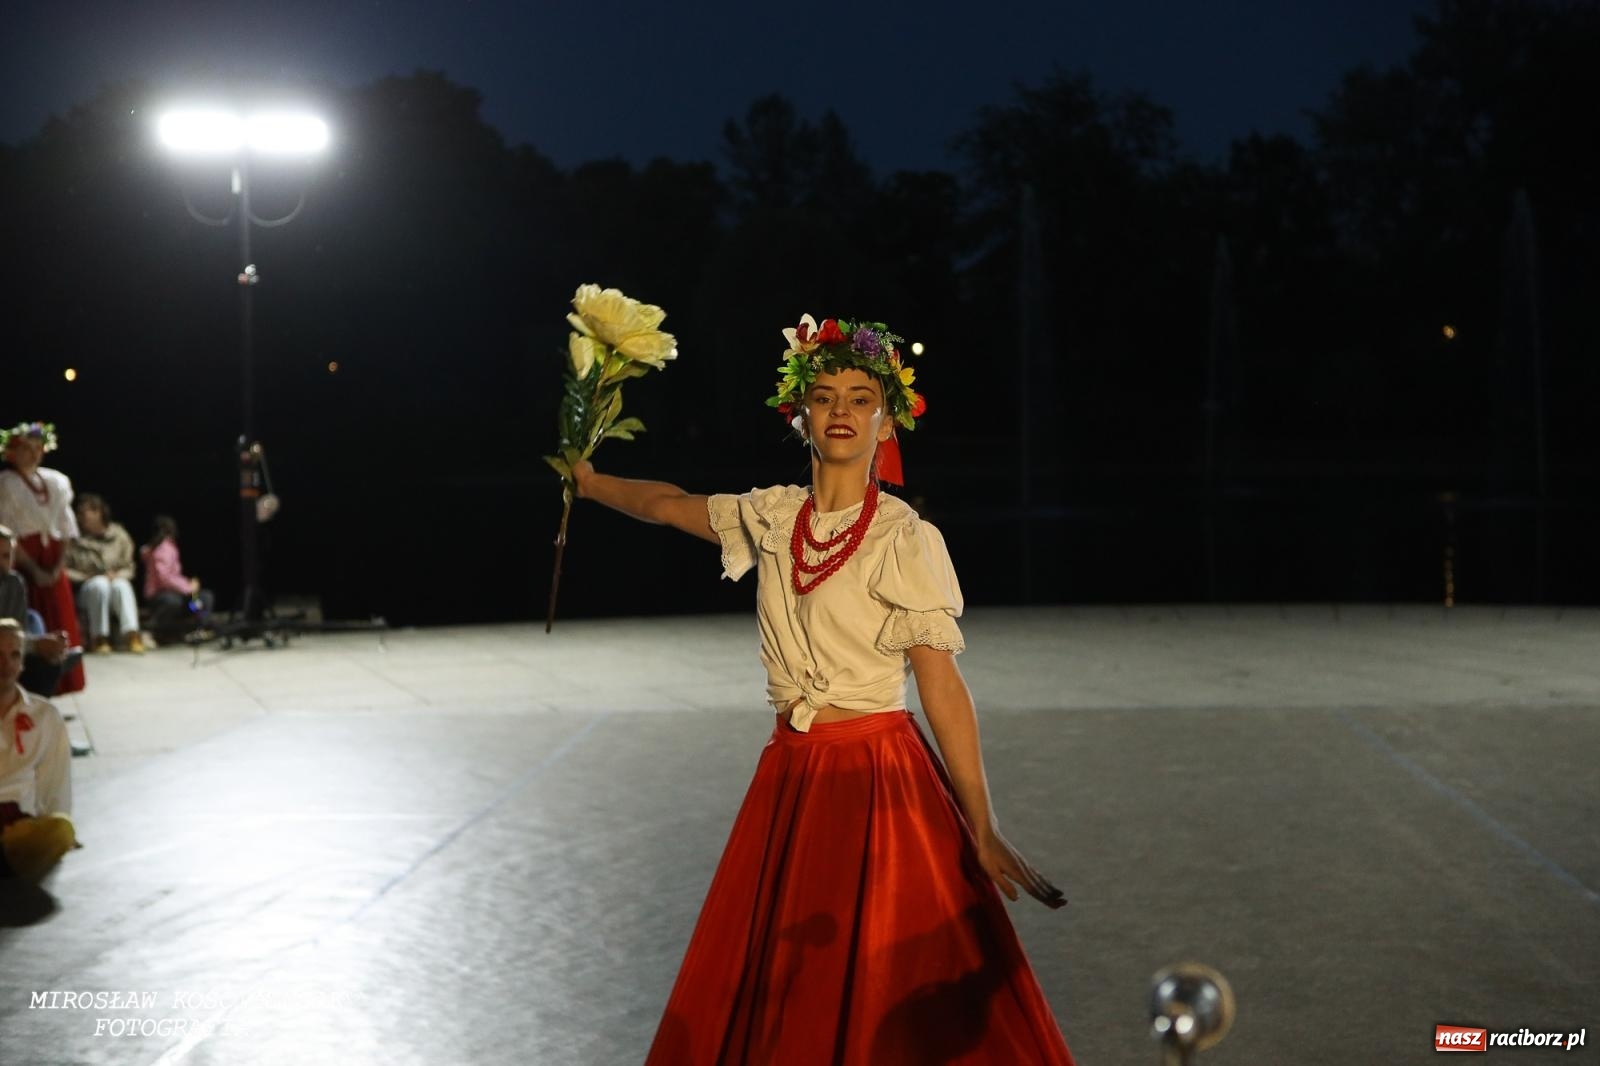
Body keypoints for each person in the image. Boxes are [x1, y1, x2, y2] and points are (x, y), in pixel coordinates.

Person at [575, 315, 1075, 1064]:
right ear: (799, 414)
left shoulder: (904, 537)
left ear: (886, 419)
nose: (842, 410)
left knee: (878, 981)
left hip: (878, 780)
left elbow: (941, 686)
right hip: (790, 774)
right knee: (785, 987)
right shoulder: (774, 518)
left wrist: (982, 821)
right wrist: (588, 482)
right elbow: (665, 503)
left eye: (862, 397)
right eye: (826, 395)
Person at [0, 423, 85, 693]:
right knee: (30, 614)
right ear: (12, 452)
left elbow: (65, 528)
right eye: (26, 448)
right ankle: (35, 682)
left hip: (52, 559)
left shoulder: (55, 481)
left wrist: (57, 565)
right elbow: (8, 533)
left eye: (37, 448)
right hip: (26, 558)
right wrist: (33, 568)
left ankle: (61, 677)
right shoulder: (7, 484)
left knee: (59, 615)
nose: (33, 454)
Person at [0, 618, 77, 881]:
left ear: (22, 663)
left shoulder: (44, 715)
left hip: (22, 825)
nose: (6, 664)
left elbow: (56, 780)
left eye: (14, 655)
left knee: (60, 829)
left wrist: (56, 825)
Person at [0, 525, 75, 698]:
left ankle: (54, 658)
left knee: (34, 621)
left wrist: (42, 644)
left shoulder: (13, 583)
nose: (1, 563)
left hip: (7, 645)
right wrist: (37, 645)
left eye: (5, 556)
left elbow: (16, 632)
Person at [66, 493, 144, 654]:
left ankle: (132, 634)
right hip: (87, 588)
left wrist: (117, 575)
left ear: (98, 512)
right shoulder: (74, 539)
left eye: (84, 512)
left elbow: (129, 567)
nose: (80, 517)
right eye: (78, 513)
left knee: (121, 585)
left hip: (114, 582)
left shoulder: (119, 536)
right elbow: (64, 570)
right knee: (99, 584)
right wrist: (86, 577)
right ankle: (99, 638)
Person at [141, 515, 212, 643]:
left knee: (201, 598)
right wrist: (189, 588)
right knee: (176, 601)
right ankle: (154, 630)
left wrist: (189, 585)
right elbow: (165, 578)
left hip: (175, 595)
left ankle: (200, 628)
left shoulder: (167, 547)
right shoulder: (163, 548)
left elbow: (172, 576)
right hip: (160, 598)